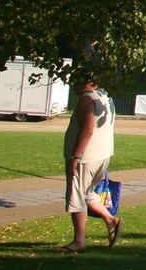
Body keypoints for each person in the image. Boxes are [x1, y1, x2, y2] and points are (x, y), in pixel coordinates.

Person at [60, 79, 120, 252]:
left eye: (76, 81)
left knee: (77, 195)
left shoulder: (87, 99)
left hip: (86, 157)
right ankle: (111, 220)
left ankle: (79, 241)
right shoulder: (104, 97)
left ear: (87, 82)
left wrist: (75, 156)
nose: (73, 85)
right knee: (87, 193)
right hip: (102, 155)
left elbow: (88, 129)